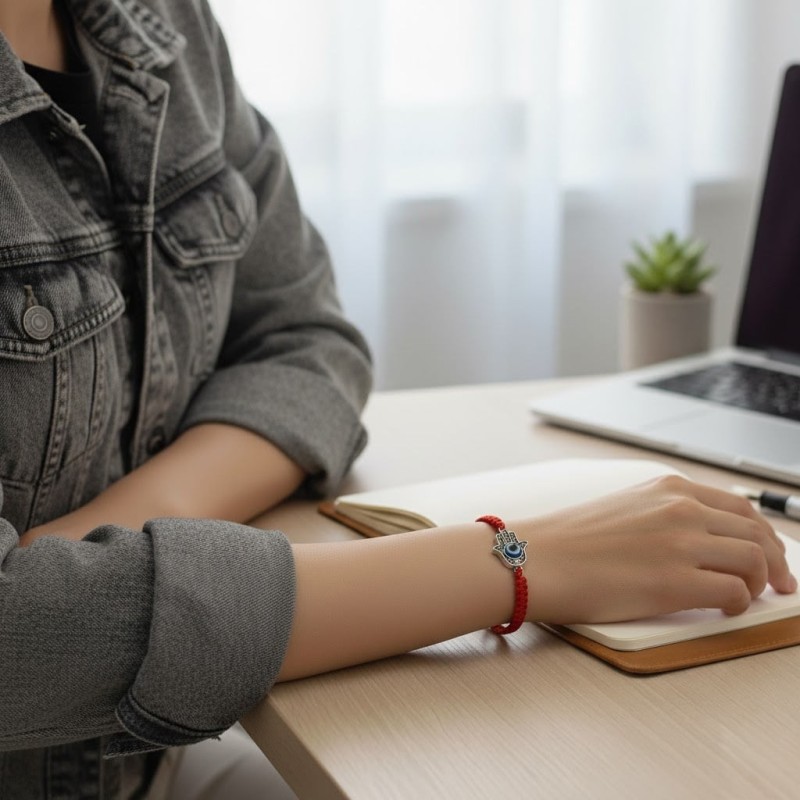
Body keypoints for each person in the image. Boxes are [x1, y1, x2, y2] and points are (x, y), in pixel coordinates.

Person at [0, 0, 795, 798]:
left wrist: (137, 517)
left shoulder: (163, 25)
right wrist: (518, 560)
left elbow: (307, 339)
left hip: (143, 761)